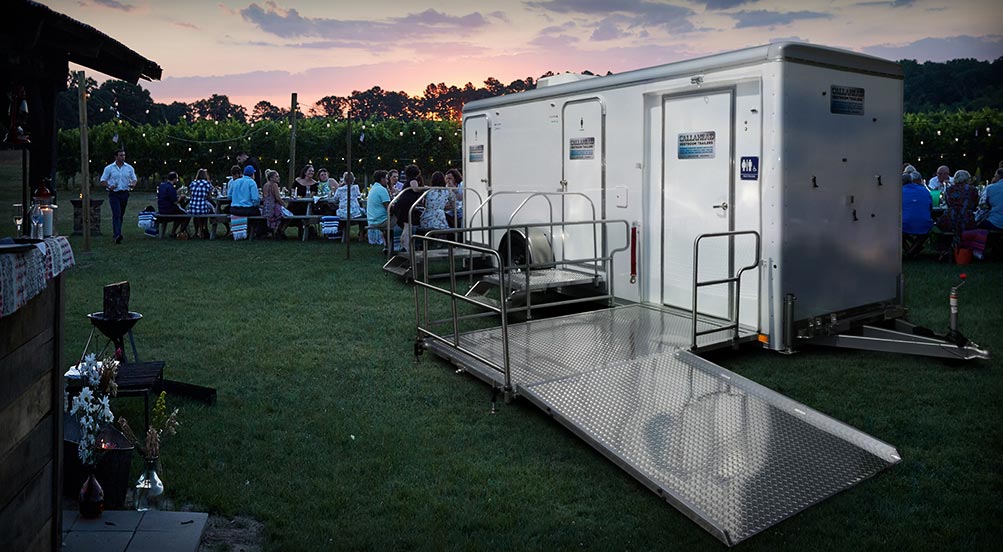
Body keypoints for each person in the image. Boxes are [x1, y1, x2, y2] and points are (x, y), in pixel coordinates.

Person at [100, 149, 137, 244]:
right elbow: (102, 181)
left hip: (125, 193)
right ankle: (117, 235)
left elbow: (134, 179)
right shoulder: (109, 168)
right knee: (116, 213)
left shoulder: (129, 168)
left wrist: (133, 184)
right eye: (121, 155)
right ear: (116, 157)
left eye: (124, 155)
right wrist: (109, 186)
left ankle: (117, 232)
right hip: (114, 193)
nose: (123, 157)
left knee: (121, 214)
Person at [902, 171, 933, 258]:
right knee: (923, 232)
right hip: (925, 224)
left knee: (897, 232)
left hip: (905, 224)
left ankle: (909, 252)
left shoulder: (899, 192)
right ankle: (913, 250)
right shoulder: (924, 190)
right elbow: (930, 207)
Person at [393, 164, 423, 252]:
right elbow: (415, 189)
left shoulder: (407, 181)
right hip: (406, 205)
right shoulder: (413, 180)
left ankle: (404, 246)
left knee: (406, 226)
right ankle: (406, 247)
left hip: (402, 205)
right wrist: (425, 188)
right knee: (407, 226)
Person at [229, 165, 263, 236]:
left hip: (234, 209)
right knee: (260, 212)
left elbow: (229, 196)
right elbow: (255, 199)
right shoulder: (252, 182)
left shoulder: (235, 182)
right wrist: (257, 204)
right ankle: (257, 232)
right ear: (252, 174)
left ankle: (244, 231)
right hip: (247, 209)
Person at [333, 171, 366, 242]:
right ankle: (361, 234)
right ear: (353, 180)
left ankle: (343, 234)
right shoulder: (356, 187)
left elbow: (335, 199)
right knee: (364, 215)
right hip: (354, 212)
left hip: (343, 213)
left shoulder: (339, 189)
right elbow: (359, 197)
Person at [157, 171, 189, 238]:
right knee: (186, 216)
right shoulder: (170, 187)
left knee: (180, 214)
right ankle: (180, 233)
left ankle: (173, 233)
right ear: (174, 179)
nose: (177, 180)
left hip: (161, 209)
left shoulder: (162, 185)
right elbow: (175, 202)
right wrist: (181, 197)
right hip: (169, 210)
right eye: (177, 178)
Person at [187, 168, 215, 238]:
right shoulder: (207, 183)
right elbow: (209, 197)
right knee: (210, 209)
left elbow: (190, 195)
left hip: (192, 208)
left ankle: (197, 231)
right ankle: (204, 230)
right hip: (203, 208)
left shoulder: (193, 183)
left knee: (197, 212)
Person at [261, 169, 289, 239]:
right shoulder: (274, 185)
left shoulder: (265, 185)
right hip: (273, 208)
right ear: (271, 178)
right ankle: (279, 231)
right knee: (288, 214)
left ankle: (272, 231)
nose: (278, 178)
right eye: (276, 176)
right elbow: (278, 198)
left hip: (266, 208)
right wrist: (284, 205)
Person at [367, 169, 391, 247]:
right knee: (403, 220)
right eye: (386, 178)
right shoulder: (382, 189)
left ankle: (387, 244)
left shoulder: (373, 189)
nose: (387, 181)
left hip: (371, 219)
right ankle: (397, 245)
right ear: (382, 179)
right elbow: (389, 207)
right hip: (381, 220)